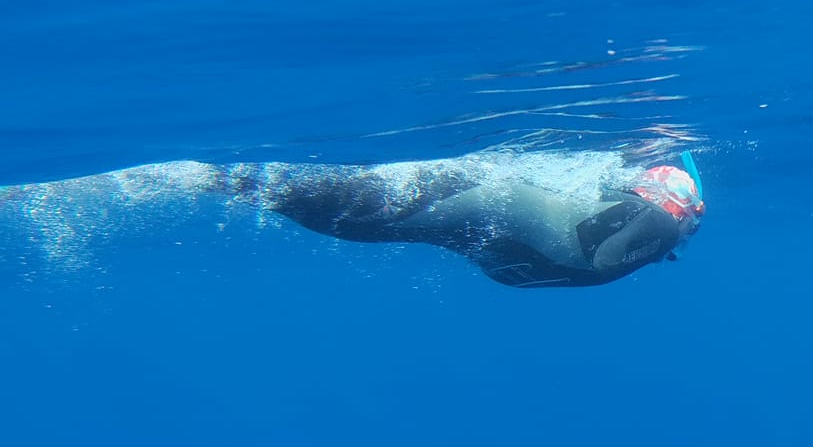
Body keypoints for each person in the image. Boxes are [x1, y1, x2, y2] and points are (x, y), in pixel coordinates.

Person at [230, 152, 705, 288]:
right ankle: (242, 184)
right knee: (383, 222)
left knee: (384, 214)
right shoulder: (657, 227)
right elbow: (604, 262)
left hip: (493, 219)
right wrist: (656, 243)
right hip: (497, 228)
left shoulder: (637, 220)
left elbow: (596, 257)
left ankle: (241, 182)